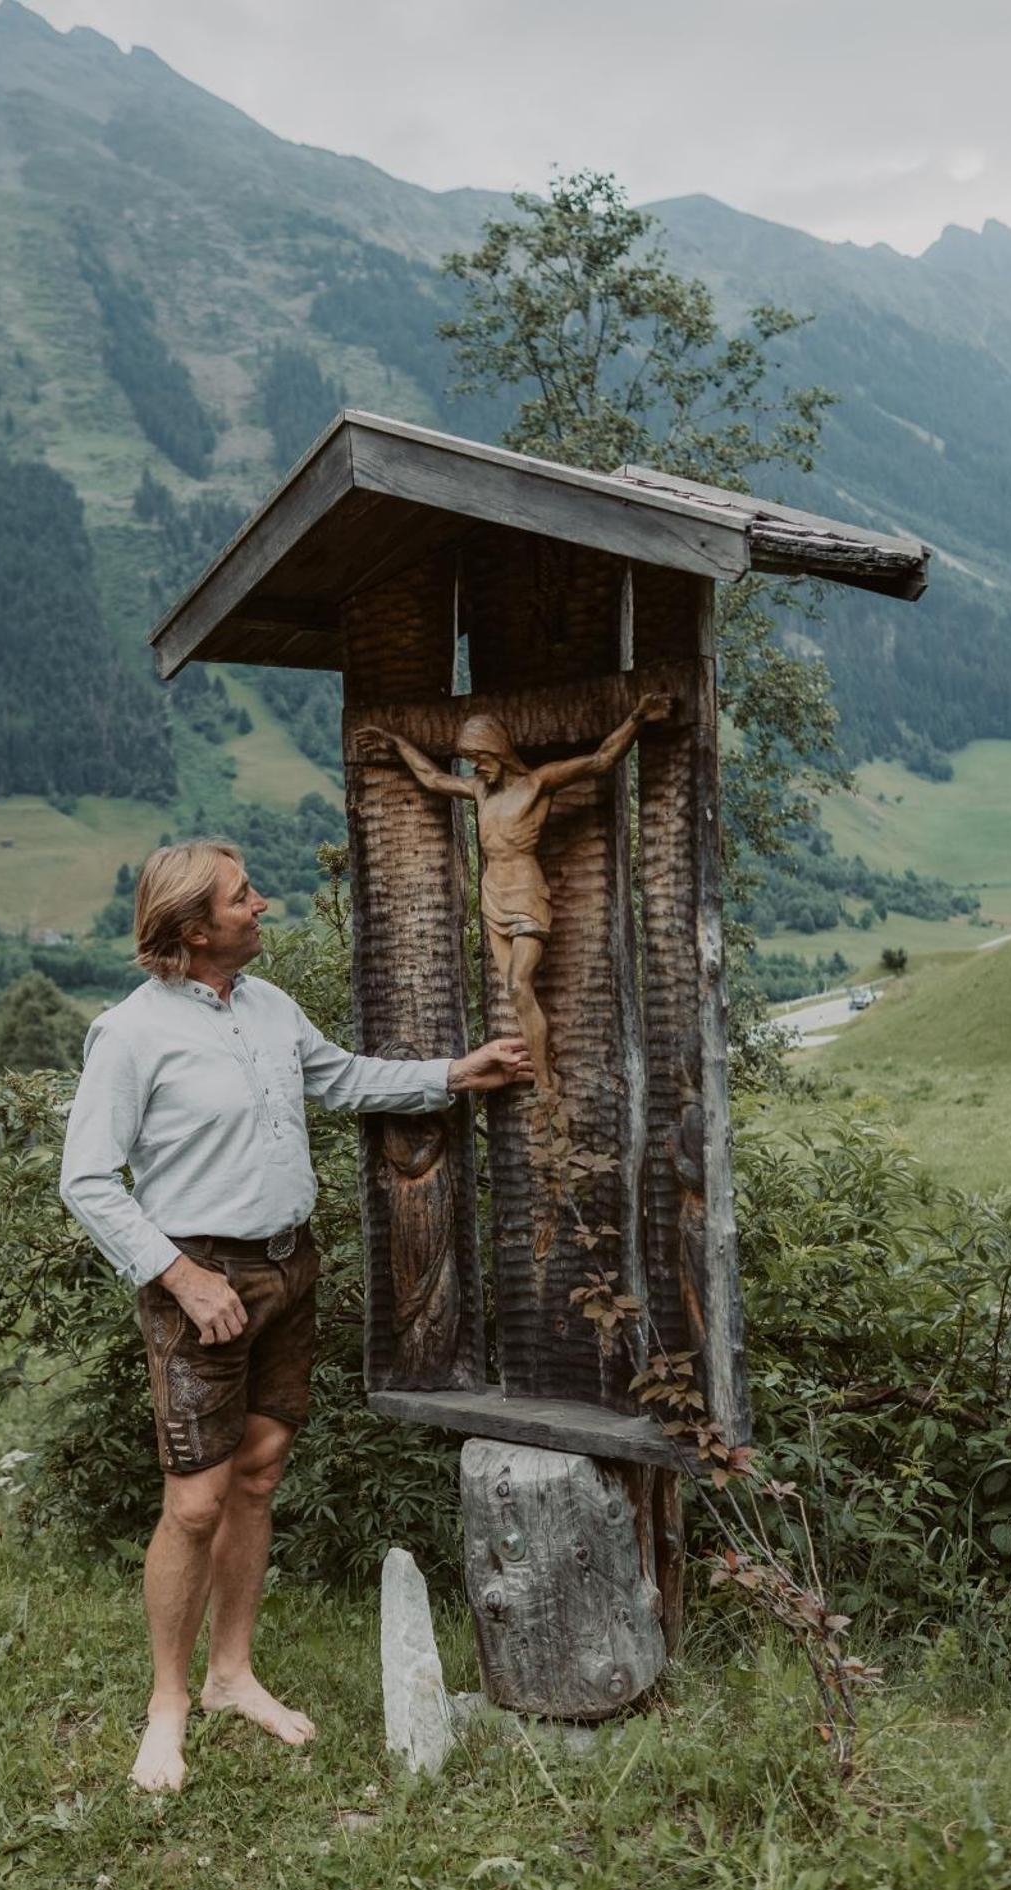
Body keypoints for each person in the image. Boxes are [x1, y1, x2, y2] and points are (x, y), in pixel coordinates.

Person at [59, 838, 531, 1793]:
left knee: (262, 1474)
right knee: (194, 1502)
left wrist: (452, 1074)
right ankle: (168, 1707)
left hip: (289, 1268)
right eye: (242, 898)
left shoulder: (268, 1008)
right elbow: (87, 1181)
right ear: (193, 929)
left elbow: (342, 1078)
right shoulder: (132, 1033)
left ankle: (232, 1676)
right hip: (202, 1281)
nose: (261, 905)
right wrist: (183, 1277)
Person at [358, 693, 674, 1094]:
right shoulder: (480, 790)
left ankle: (545, 1081)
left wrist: (637, 717)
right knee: (515, 993)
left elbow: (599, 761)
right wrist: (399, 744)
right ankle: (542, 1067)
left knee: (519, 984)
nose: (475, 765)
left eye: (479, 756)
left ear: (497, 750)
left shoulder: (537, 783)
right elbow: (434, 780)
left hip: (526, 891)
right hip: (494, 894)